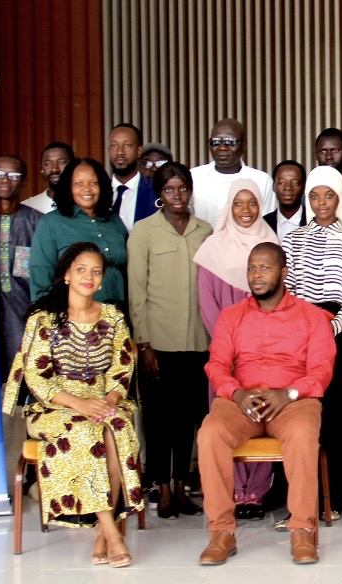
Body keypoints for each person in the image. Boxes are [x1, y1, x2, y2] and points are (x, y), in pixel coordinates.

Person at [1, 242, 144, 568]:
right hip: (54, 407)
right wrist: (80, 404)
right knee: (82, 434)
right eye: (81, 270)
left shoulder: (112, 316)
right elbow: (37, 379)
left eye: (96, 271)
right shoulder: (44, 319)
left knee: (118, 429)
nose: (89, 277)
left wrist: (109, 400)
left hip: (102, 401)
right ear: (66, 275)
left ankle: (100, 535)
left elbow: (122, 368)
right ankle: (112, 533)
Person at [196, 243, 336, 566]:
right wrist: (236, 393)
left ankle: (301, 529)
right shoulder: (231, 317)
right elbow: (216, 364)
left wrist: (287, 394)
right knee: (210, 433)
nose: (256, 276)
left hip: (292, 400)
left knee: (302, 433)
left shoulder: (312, 317)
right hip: (241, 400)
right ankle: (222, 532)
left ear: (284, 273)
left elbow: (321, 370)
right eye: (252, 269)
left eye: (265, 268)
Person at [282, 165, 342, 517]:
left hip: (341, 333)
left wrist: (330, 328)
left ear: (340, 199)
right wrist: (308, 330)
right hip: (301, 334)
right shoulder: (293, 238)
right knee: (303, 415)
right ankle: (300, 500)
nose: (321, 203)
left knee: (339, 416)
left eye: (329, 195)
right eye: (314, 196)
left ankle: (332, 498)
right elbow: (289, 290)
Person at [127, 162, 213, 519]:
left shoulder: (205, 230)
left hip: (198, 342)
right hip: (157, 344)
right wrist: (143, 343)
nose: (177, 196)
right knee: (159, 420)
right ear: (159, 195)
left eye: (183, 189)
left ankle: (181, 487)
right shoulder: (144, 231)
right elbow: (137, 290)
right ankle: (161, 489)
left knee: (189, 418)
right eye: (169, 190)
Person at [193, 179, 279, 518]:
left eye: (252, 203)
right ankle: (233, 491)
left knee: (262, 410)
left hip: (267, 352)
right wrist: (232, 346)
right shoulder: (212, 247)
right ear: (229, 207)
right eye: (238, 203)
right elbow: (207, 303)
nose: (246, 211)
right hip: (226, 352)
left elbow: (279, 302)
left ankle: (255, 492)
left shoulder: (271, 243)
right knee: (229, 416)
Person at [0, 155, 42, 480]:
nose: (6, 179)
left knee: (20, 397)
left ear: (24, 181)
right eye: (0, 173)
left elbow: (39, 280)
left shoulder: (35, 222)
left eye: (14, 174)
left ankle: (26, 476)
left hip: (22, 324)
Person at [28, 158, 129, 308]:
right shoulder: (51, 223)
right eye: (79, 183)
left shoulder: (114, 221)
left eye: (93, 183)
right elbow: (41, 274)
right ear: (69, 188)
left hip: (118, 313)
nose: (87, 189)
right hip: (74, 316)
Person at [191, 118, 275, 225]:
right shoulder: (193, 177)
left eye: (230, 142)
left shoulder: (261, 181)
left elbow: (266, 224)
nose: (222, 148)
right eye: (216, 142)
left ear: (243, 146)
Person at [106, 122, 158, 232]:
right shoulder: (99, 191)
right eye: (114, 146)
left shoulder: (155, 191)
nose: (120, 152)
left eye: (127, 145)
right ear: (108, 150)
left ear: (139, 151)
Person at [263, 160, 308, 241]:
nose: (288, 187)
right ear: (274, 187)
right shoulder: (263, 224)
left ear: (304, 187)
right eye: (281, 183)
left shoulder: (314, 221)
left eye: (295, 183)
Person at [24, 142, 73, 214]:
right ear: (42, 169)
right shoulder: (29, 208)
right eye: (48, 164)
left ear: (74, 166)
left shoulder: (86, 204)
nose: (55, 169)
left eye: (61, 162)